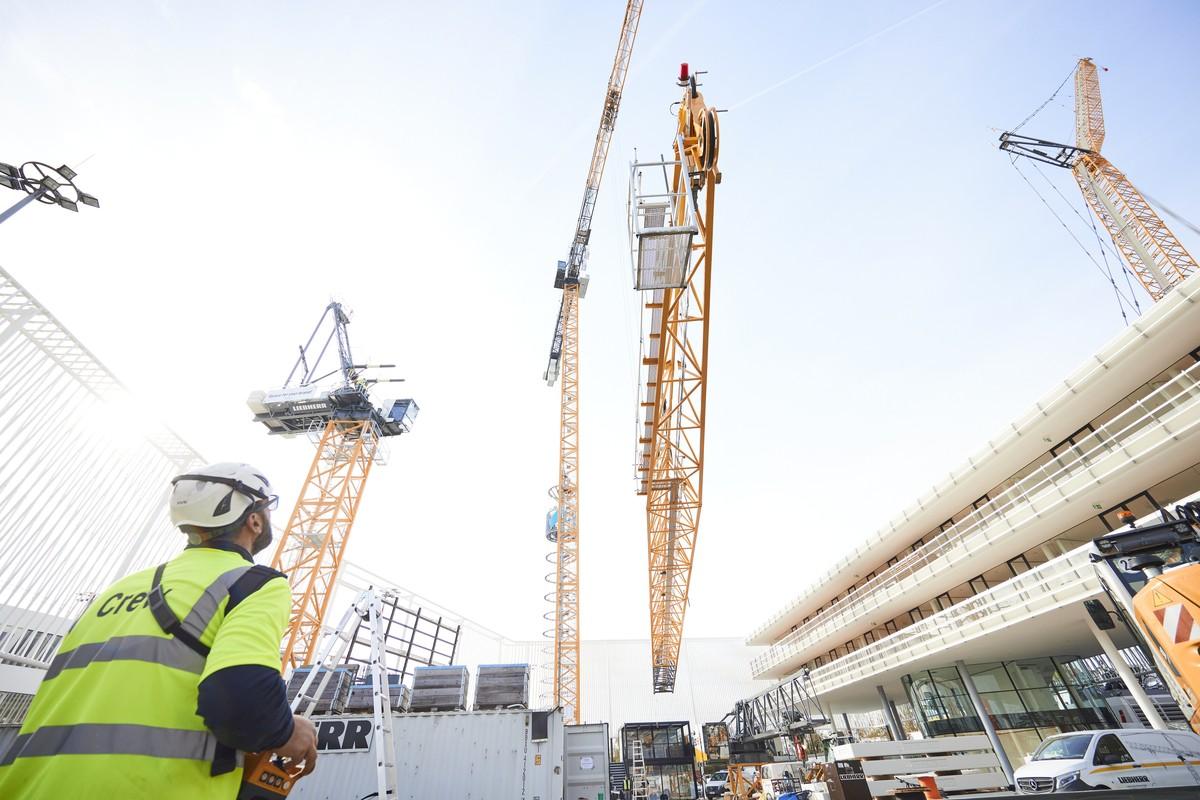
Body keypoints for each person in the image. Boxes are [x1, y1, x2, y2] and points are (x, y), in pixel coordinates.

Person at [0, 462, 317, 798]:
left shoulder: (117, 589)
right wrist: (285, 732)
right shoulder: (254, 584)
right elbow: (241, 702)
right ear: (254, 520)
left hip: (30, 786)